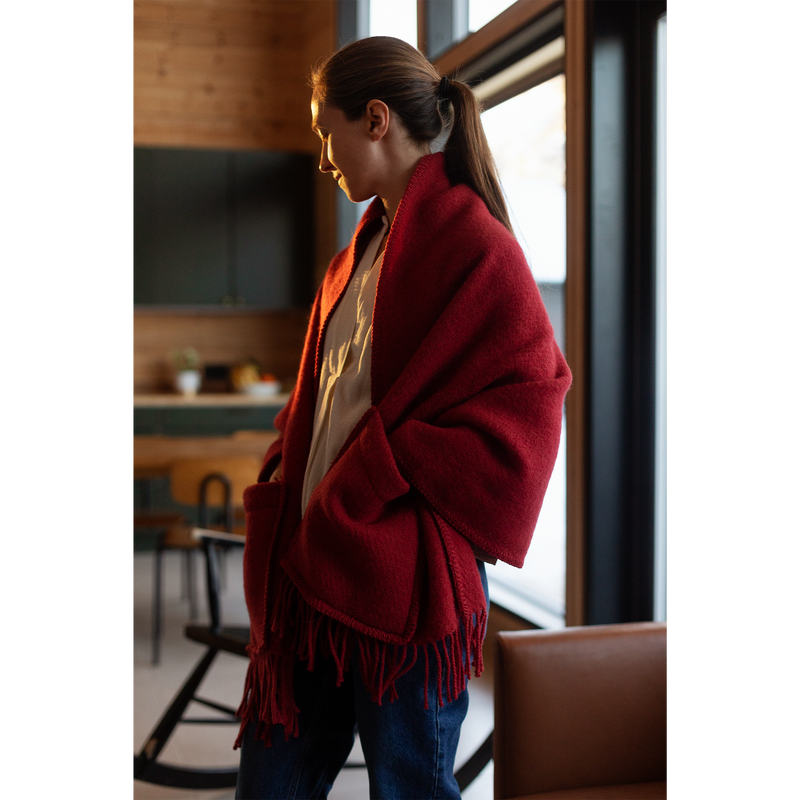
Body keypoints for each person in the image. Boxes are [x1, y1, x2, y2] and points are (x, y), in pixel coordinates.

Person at [234, 36, 572, 800]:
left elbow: (532, 397)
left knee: (409, 790)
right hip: (310, 568)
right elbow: (323, 397)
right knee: (269, 786)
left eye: (329, 132)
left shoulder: (479, 250)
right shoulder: (352, 257)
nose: (324, 156)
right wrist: (283, 469)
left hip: (405, 584)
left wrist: (380, 468)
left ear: (376, 120)